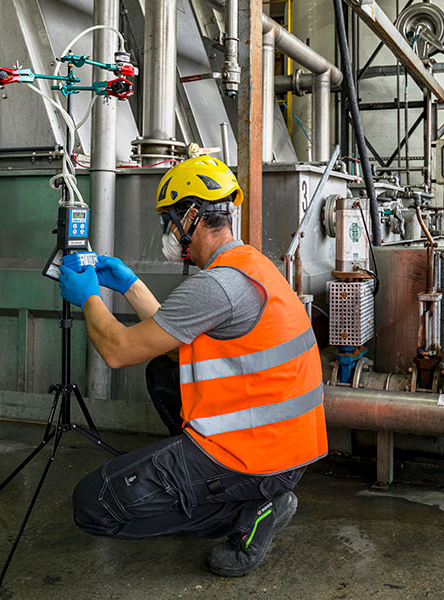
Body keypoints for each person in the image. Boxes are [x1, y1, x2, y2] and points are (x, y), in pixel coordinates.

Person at [59, 155, 327, 576]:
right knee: (163, 372)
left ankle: (248, 514)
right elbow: (171, 338)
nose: (167, 232)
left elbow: (117, 350)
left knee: (94, 505)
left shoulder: (217, 285)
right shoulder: (249, 266)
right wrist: (129, 284)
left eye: (169, 220)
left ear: (191, 217)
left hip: (256, 458)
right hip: (288, 447)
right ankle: (219, 490)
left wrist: (88, 295)